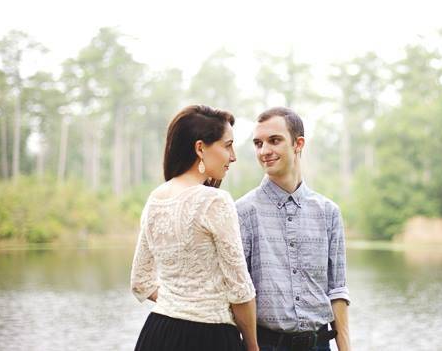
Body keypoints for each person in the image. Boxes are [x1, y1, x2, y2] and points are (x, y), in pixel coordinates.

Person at [130, 105, 259, 351]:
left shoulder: (156, 198)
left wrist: (178, 301)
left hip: (157, 334)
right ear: (200, 148)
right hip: (208, 337)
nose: (233, 156)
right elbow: (241, 291)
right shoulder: (215, 201)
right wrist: (253, 347)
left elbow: (140, 282)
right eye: (227, 145)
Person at [236, 107, 351, 351]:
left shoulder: (329, 212)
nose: (264, 151)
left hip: (320, 345)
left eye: (274, 141)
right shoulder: (243, 212)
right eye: (258, 143)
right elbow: (238, 293)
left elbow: (338, 290)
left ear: (298, 144)